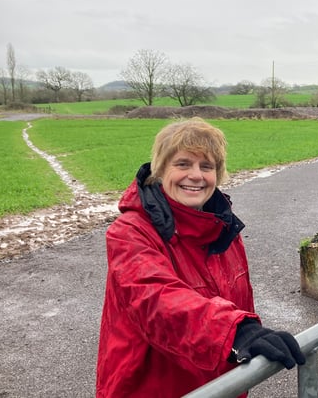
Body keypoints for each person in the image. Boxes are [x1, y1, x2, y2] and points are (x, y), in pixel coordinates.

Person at [96, 117, 305, 398]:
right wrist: (235, 332)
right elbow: (155, 299)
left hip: (220, 386)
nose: (196, 175)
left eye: (206, 166)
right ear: (160, 170)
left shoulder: (223, 230)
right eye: (182, 164)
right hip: (151, 388)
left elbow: (238, 303)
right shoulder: (130, 233)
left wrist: (240, 338)